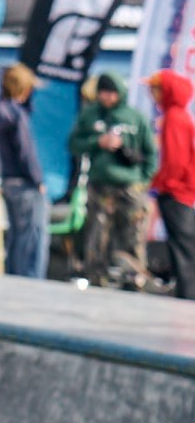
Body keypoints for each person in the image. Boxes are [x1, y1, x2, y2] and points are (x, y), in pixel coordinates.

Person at [69, 73, 155, 289]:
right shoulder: (91, 115)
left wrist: (143, 180)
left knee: (133, 235)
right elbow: (74, 143)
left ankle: (135, 280)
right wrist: (98, 142)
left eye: (111, 93)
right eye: (103, 92)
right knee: (97, 235)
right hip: (100, 185)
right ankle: (96, 279)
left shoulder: (134, 117)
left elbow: (150, 154)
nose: (107, 97)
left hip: (128, 186)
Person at [0, 63, 48, 280]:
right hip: (24, 183)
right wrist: (38, 179)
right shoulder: (17, 115)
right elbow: (26, 152)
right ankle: (31, 285)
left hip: (8, 181)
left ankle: (13, 282)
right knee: (33, 239)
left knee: (16, 237)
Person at [150, 69, 195, 298]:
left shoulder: (174, 118)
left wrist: (158, 183)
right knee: (183, 247)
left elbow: (175, 162)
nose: (151, 94)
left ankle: (187, 297)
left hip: (177, 193)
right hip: (181, 191)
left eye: (155, 89)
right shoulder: (180, 115)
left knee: (183, 249)